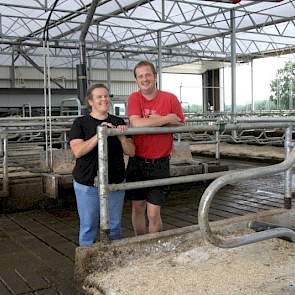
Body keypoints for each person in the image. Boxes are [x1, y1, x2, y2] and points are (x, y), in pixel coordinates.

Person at [69, 83, 135, 246]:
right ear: (90, 101)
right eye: (99, 96)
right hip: (87, 182)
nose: (104, 99)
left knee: (114, 226)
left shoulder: (118, 121)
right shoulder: (80, 123)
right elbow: (77, 151)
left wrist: (121, 136)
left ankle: (114, 263)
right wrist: (100, 134)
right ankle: (87, 265)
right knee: (88, 226)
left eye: (106, 96)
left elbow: (131, 151)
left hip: (115, 181)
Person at [126, 60, 185, 235]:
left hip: (160, 161)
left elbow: (180, 124)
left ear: (155, 76)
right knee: (137, 207)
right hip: (138, 160)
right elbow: (136, 123)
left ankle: (153, 244)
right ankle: (140, 242)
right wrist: (166, 119)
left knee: (153, 212)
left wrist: (151, 123)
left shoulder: (170, 98)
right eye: (140, 76)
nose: (144, 79)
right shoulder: (134, 98)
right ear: (136, 80)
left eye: (148, 75)